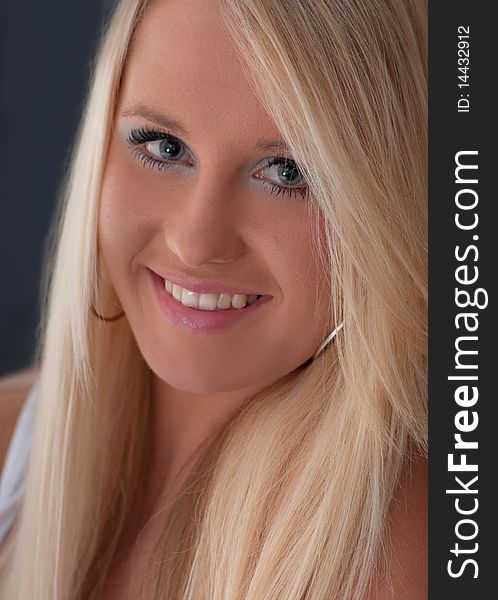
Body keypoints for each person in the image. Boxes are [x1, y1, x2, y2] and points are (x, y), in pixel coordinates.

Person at [0, 0, 428, 598]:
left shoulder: (397, 553)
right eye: (164, 147)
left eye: (287, 172)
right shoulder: (12, 445)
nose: (196, 243)